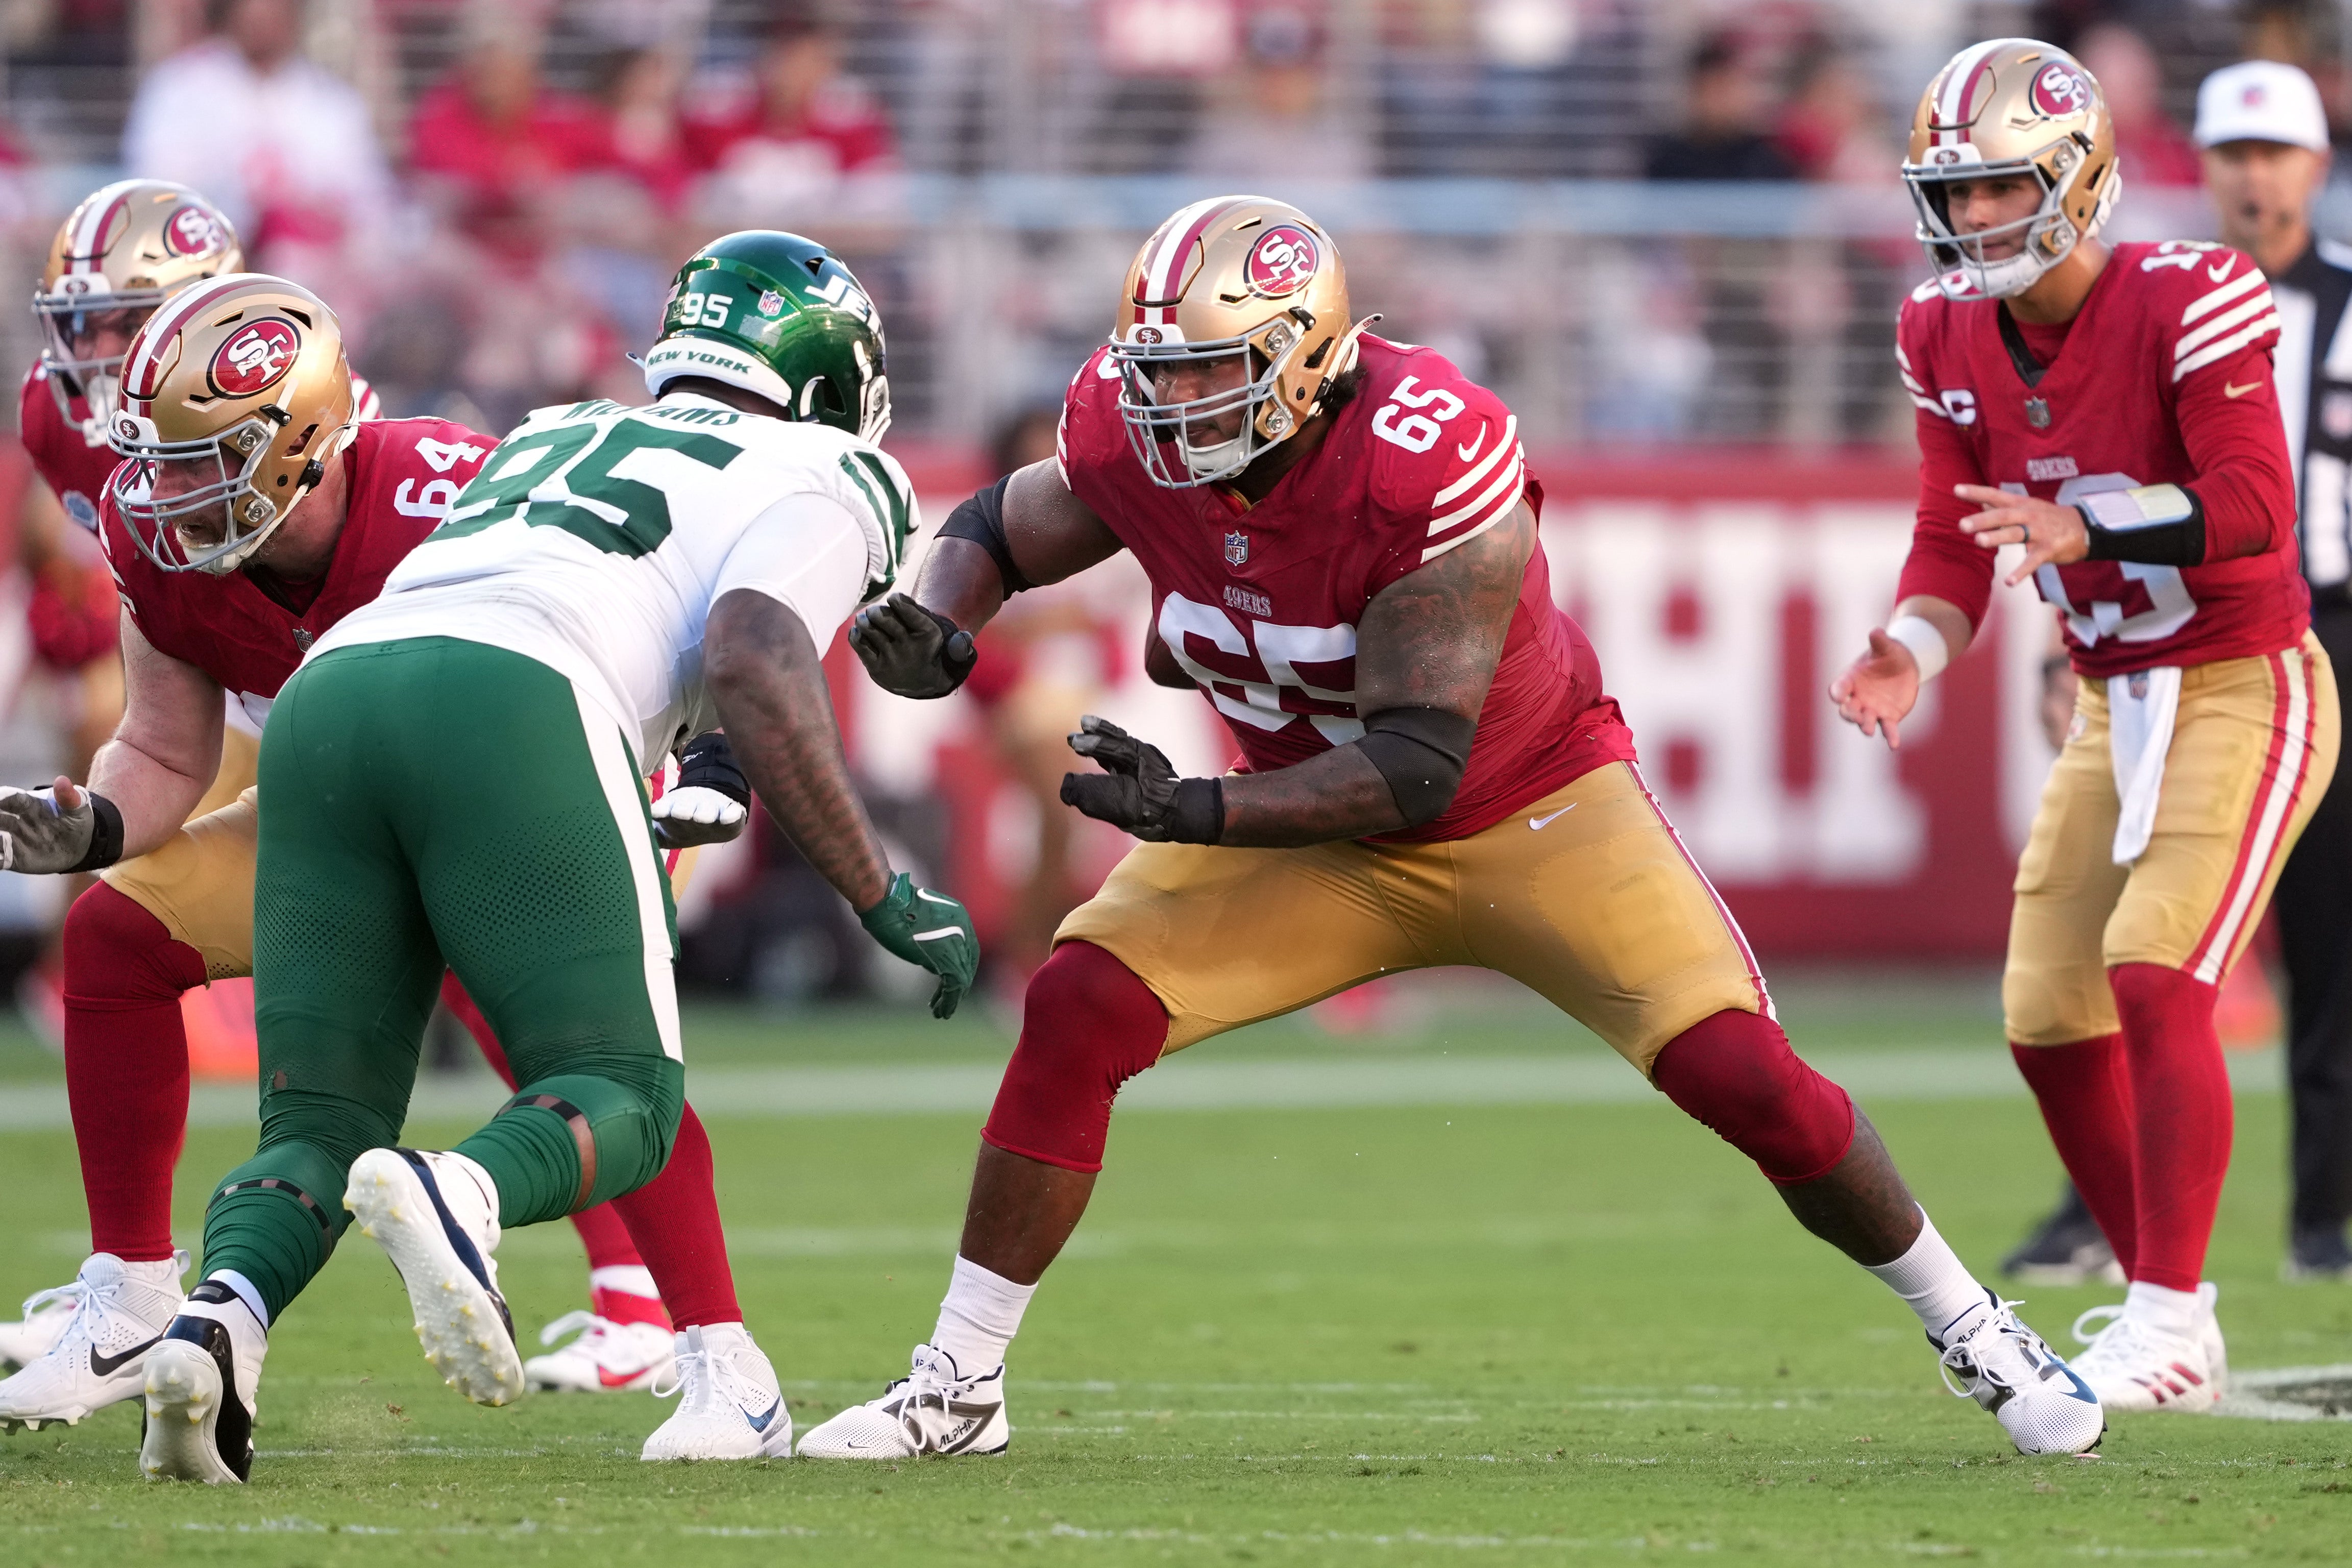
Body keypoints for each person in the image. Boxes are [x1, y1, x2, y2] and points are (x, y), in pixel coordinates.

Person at [804, 195, 2103, 1461]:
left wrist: (1193, 806)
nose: (1173, 403)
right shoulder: (1134, 426)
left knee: (1739, 1072)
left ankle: (1973, 1323)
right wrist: (944, 622)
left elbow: (1417, 767)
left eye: (1211, 372)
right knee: (1080, 1001)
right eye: (1162, 371)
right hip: (1303, 824)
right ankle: (959, 1380)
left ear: (1302, 358)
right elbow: (995, 526)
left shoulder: (1426, 451)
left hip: (1528, 803)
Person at [118, 236, 975, 1484]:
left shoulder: (555, 428)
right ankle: (458, 1188)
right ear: (833, 373)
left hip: (331, 695)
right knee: (623, 1087)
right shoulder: (834, 463)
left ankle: (215, 1323)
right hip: (518, 696)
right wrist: (879, 887)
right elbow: (750, 648)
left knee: (313, 1120)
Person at [0, 273, 756, 1463]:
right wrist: (94, 823)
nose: (163, 493)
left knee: (600, 1054)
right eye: (159, 460)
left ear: (304, 438)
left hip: (514, 785)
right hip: (334, 808)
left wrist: (709, 750)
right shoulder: (159, 537)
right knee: (114, 935)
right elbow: (163, 743)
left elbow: (660, 597)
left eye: (204, 460)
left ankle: (689, 1331)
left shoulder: (448, 488)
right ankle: (136, 1290)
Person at [1832, 40, 2337, 1414]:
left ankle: (2168, 1315)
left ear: (2079, 180)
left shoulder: (2193, 293)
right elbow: (1952, 534)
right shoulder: (1940, 328)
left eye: (2001, 189)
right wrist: (1913, 646)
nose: (1974, 219)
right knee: (2047, 1012)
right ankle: (2167, 1305)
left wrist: (2086, 520)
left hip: (2246, 675)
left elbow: (2251, 508)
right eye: (1958, 192)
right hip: (2117, 697)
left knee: (2157, 975)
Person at [2188, 59, 2352, 1280]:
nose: (2255, 175)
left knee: (2330, 936)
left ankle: (2316, 1217)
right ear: (2205, 166)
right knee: (2141, 944)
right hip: (2199, 637)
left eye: (2274, 153)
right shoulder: (2167, 306)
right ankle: (2113, 1214)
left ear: (2312, 163)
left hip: (2335, 626)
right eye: (2234, 155)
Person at [119, 0, 392, 277]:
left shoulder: (331, 99)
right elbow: (155, 187)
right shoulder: (179, 87)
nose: (263, 18)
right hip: (205, 265)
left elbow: (368, 198)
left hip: (316, 270)